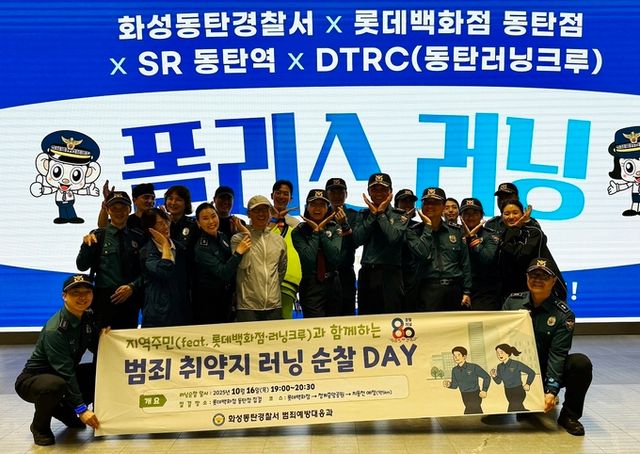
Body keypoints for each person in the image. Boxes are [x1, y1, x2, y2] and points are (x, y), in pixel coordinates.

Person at [503, 258, 592, 436]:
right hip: (517, 369)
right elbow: (499, 339)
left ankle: (569, 416)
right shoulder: (512, 303)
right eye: (533, 275)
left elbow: (557, 354)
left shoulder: (563, 314)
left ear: (553, 281)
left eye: (544, 276)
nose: (537, 279)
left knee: (581, 363)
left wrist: (551, 390)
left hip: (546, 368)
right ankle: (527, 402)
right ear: (526, 277)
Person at [15, 274, 101, 446]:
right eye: (75, 293)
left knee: (97, 371)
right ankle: (39, 427)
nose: (82, 297)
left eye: (87, 292)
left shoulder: (87, 318)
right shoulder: (56, 330)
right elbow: (65, 372)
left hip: (61, 375)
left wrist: (106, 338)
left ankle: (64, 412)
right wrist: (82, 409)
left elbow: (96, 348)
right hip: (34, 380)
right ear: (64, 296)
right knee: (55, 385)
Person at [76, 191, 143, 329]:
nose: (119, 212)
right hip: (104, 300)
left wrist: (132, 286)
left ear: (130, 209)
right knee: (102, 340)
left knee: (128, 339)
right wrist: (86, 246)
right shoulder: (98, 236)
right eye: (114, 208)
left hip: (130, 299)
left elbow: (145, 270)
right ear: (107, 210)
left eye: (123, 208)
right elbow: (81, 266)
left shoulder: (138, 237)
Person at [408, 187, 472, 312]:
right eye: (427, 202)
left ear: (443, 206)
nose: (430, 206)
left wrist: (467, 291)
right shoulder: (413, 231)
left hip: (455, 289)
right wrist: (428, 227)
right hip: (427, 289)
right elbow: (422, 254)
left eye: (435, 203)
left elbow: (465, 263)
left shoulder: (456, 231)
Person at [353, 173, 408, 314]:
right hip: (367, 273)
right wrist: (372, 215)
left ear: (390, 192)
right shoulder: (363, 214)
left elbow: (393, 238)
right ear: (369, 192)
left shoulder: (400, 215)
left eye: (383, 189)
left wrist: (381, 214)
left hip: (391, 274)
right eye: (374, 189)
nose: (378, 193)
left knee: (392, 319)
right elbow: (357, 240)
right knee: (367, 319)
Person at [193, 202, 252, 323]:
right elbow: (223, 273)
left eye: (213, 216)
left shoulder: (222, 236)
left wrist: (242, 230)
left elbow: (231, 262)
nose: (211, 221)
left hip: (226, 298)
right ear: (198, 223)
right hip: (209, 303)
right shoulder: (201, 248)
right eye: (205, 218)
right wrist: (238, 252)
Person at [232, 195, 287, 321]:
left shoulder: (279, 240)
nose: (261, 214)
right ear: (249, 214)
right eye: (256, 210)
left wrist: (273, 290)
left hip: (274, 305)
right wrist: (247, 234)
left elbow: (281, 270)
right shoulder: (238, 239)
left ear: (270, 213)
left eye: (265, 210)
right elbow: (243, 264)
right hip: (248, 306)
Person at [498, 200, 566, 300]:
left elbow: (522, 256)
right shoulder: (501, 234)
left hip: (540, 290)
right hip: (510, 292)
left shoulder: (533, 232)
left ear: (523, 214)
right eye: (507, 214)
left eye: (515, 213)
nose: (511, 217)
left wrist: (516, 227)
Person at [292, 189, 342, 317]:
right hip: (310, 284)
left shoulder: (335, 228)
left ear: (328, 208)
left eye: (322, 205)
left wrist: (322, 233)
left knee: (335, 325)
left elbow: (335, 257)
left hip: (333, 283)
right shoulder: (298, 231)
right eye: (313, 204)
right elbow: (308, 258)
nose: (317, 208)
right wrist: (315, 232)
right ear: (307, 207)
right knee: (315, 326)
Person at [139, 208, 191, 327]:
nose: (166, 226)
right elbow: (164, 271)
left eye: (167, 221)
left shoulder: (181, 248)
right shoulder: (146, 252)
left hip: (181, 310)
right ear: (150, 229)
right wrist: (165, 245)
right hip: (158, 314)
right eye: (160, 224)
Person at [459, 197, 502, 310]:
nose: (470, 217)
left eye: (475, 213)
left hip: (484, 292)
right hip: (458, 289)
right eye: (466, 213)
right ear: (460, 216)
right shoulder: (455, 234)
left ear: (481, 215)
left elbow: (487, 259)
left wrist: (472, 239)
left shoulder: (491, 236)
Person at [268, 180, 302, 319]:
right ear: (272, 195)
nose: (281, 196)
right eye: (278, 193)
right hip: (265, 281)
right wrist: (273, 221)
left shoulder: (296, 224)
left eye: (285, 194)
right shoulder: (261, 220)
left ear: (290, 198)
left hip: (288, 282)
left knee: (285, 321)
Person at [325, 177, 359, 316]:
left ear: (346, 194)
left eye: (340, 192)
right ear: (327, 194)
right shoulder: (321, 215)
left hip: (346, 272)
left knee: (347, 315)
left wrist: (345, 224)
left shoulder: (353, 215)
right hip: (325, 274)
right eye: (333, 192)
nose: (337, 196)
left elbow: (356, 242)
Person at [443, 346, 491, 414]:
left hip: (475, 394)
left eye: (458, 355)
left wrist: (484, 390)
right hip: (464, 395)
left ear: (464, 356)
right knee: (475, 412)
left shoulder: (473, 367)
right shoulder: (454, 370)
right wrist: (449, 384)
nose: (456, 357)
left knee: (470, 411)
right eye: (454, 355)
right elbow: (455, 385)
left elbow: (487, 377)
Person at [394, 189, 420, 312]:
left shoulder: (419, 226)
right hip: (393, 275)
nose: (408, 205)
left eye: (411, 202)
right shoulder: (389, 224)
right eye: (404, 202)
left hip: (414, 278)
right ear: (396, 205)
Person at [490, 343, 536, 412]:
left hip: (518, 391)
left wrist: (528, 384)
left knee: (512, 409)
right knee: (519, 409)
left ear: (508, 353)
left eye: (501, 352)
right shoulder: (499, 366)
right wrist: (494, 376)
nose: (499, 355)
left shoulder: (516, 364)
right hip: (508, 392)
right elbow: (498, 382)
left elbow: (531, 372)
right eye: (497, 353)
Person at [164, 185, 199, 250]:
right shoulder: (162, 224)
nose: (173, 203)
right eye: (170, 199)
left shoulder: (194, 225)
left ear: (186, 203)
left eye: (178, 200)